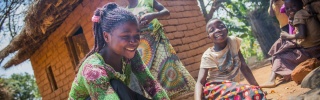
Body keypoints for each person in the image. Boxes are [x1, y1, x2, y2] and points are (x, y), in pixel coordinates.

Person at [68, 3, 169, 100]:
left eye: (137, 35)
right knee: (116, 85)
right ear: (106, 36)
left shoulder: (130, 55)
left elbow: (150, 84)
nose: (133, 42)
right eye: (125, 36)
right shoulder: (94, 70)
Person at [126, 0, 196, 98]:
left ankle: (181, 96)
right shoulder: (126, 12)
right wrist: (137, 27)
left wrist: (153, 15)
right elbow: (127, 32)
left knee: (169, 69)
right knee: (150, 76)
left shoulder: (148, 1)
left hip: (158, 41)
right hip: (143, 48)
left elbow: (166, 12)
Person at [194, 18, 266, 100]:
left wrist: (257, 87)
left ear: (226, 29)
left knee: (256, 93)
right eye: (212, 30)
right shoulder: (208, 56)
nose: (217, 30)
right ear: (209, 37)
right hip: (215, 90)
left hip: (232, 90)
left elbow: (243, 66)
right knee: (252, 92)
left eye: (221, 26)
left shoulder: (233, 42)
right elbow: (200, 82)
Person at [261, 0, 320, 88]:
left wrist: (287, 36)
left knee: (280, 56)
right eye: (287, 8)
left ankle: (272, 79)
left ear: (300, 5)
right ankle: (278, 70)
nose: (290, 10)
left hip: (312, 50)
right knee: (280, 43)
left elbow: (302, 35)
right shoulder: (304, 12)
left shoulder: (299, 15)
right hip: (312, 46)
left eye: (293, 7)